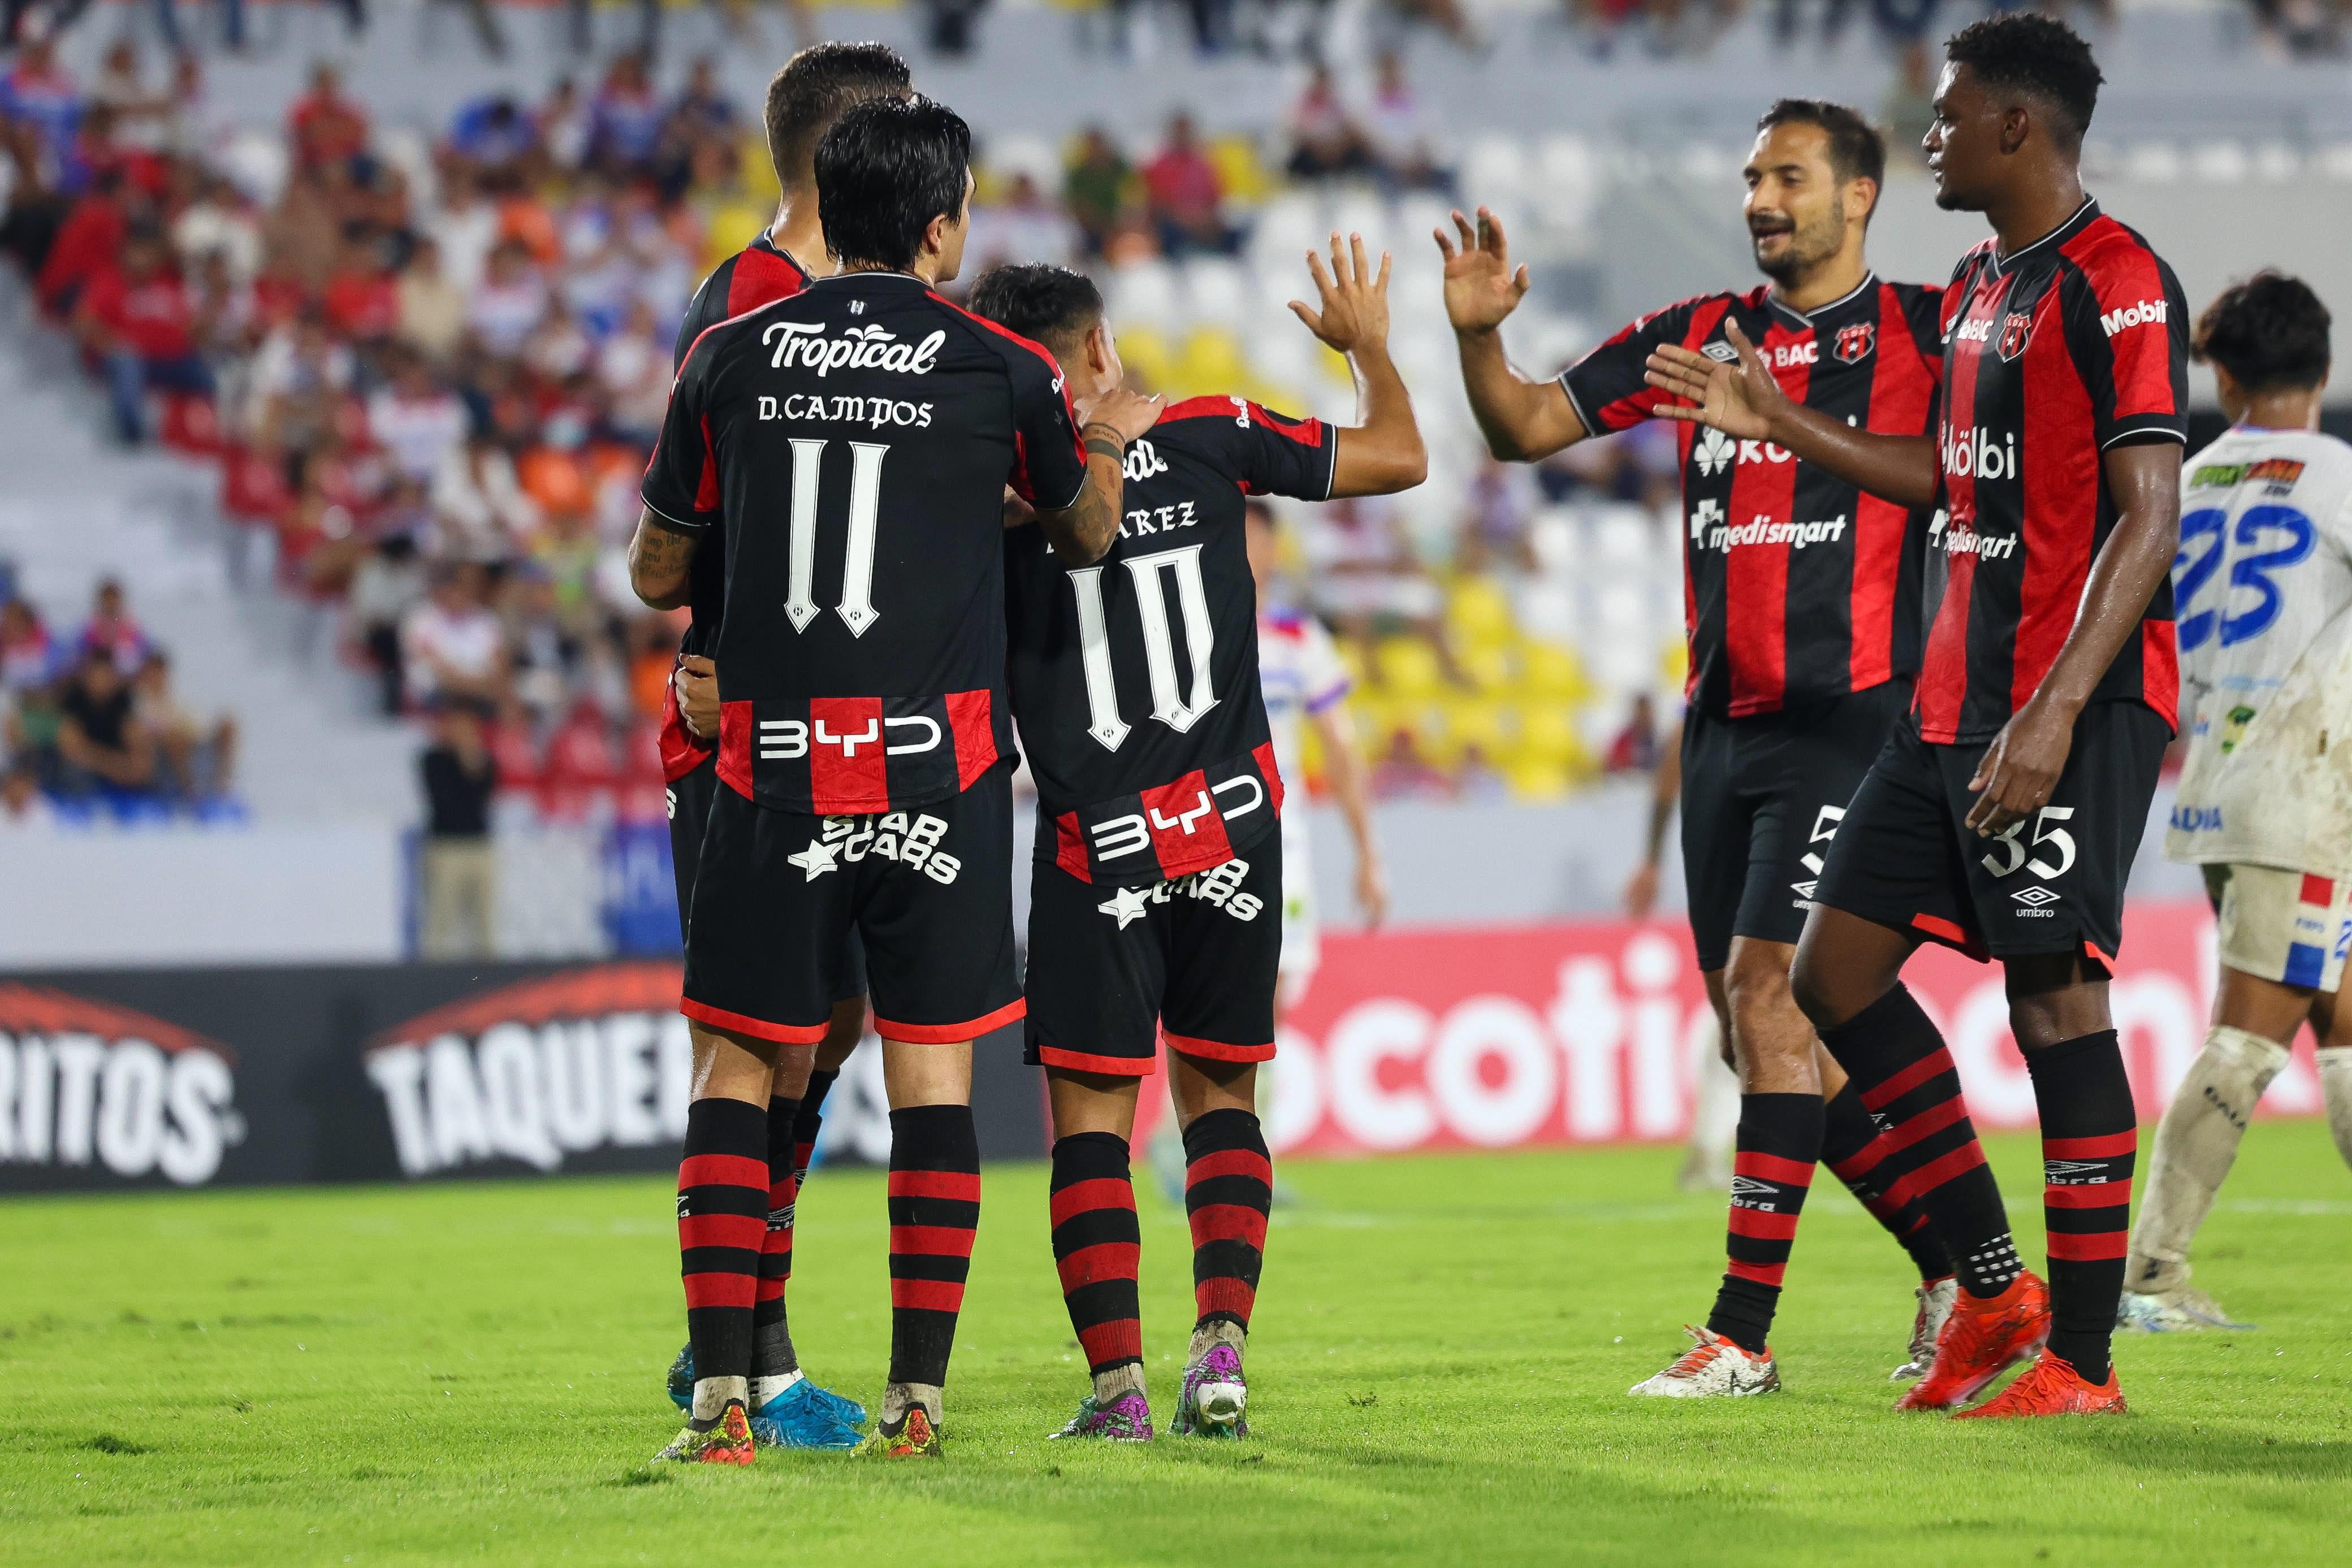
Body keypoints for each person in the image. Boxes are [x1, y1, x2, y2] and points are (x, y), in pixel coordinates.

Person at [1644, 14, 2188, 1418]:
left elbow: (2148, 518)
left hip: (2067, 700)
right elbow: (1952, 485)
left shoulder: (2119, 282)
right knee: (1826, 977)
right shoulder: (1976, 285)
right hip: (1942, 706)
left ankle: (2081, 1363)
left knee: (2057, 1002)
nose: (1929, 132)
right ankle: (1992, 1284)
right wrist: (1787, 425)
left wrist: (2060, 708)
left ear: (2017, 126)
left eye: (1947, 116)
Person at [629, 92, 1159, 1464]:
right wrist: (1100, 437)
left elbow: (654, 568)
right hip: (937, 773)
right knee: (930, 1079)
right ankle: (915, 1403)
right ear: (941, 226)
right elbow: (1090, 534)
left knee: (739, 1069)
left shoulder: (731, 355)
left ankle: (720, 1406)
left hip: (777, 767)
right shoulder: (1001, 369)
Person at [1443, 98, 1956, 1397]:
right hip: (1723, 727)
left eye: (1787, 177)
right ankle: (1964, 1270)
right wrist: (1480, 340)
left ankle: (1741, 1335)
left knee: (1761, 999)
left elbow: (1968, 477)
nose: (1759, 199)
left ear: (1859, 196)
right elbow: (1525, 426)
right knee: (1765, 1044)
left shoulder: (1933, 334)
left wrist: (1783, 424)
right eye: (1750, 179)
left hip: (1856, 720)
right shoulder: (1691, 336)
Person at [976, 238, 1421, 1443]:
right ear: (1103, 350)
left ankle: (1117, 1388)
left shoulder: (986, 501)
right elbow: (1400, 455)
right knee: (1224, 1097)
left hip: (1092, 847)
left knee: (1091, 1130)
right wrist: (1369, 347)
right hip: (1232, 824)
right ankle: (1217, 1356)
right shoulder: (1212, 427)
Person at [651, 40, 915, 1456]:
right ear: (856, 146)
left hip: (800, 732)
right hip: (749, 742)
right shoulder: (755, 302)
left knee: (826, 1023)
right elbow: (706, 522)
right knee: (762, 1035)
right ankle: (735, 1348)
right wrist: (719, 661)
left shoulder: (787, 299)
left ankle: (745, 1327)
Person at [2121, 274, 2352, 1332]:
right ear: (2325, 368)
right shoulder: (2336, 478)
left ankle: (2149, 1273)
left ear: (2219, 374)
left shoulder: (2190, 480)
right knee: (2253, 1035)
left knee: (2343, 1026)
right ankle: (2151, 1275)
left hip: (2220, 778)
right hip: (2302, 790)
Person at [417, 702, 498, 958]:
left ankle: (486, 979)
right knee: (441, 918)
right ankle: (433, 976)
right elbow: (446, 799)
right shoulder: (433, 760)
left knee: (484, 919)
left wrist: (471, 758)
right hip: (446, 847)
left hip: (479, 846)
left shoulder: (483, 761)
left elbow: (481, 797)